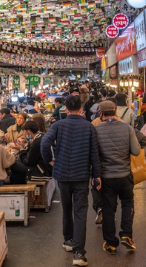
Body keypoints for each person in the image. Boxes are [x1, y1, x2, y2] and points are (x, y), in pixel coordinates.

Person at [41, 96, 101, 266]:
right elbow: (94, 154)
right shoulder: (89, 127)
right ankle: (79, 254)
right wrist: (96, 175)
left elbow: (45, 143)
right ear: (81, 109)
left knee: (66, 209)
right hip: (81, 175)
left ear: (65, 110)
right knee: (80, 212)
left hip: (62, 175)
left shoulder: (58, 125)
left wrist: (50, 161)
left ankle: (68, 240)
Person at [93, 101, 140, 255]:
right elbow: (136, 151)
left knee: (108, 209)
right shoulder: (128, 128)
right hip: (125, 175)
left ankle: (111, 243)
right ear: (115, 112)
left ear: (101, 114)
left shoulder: (96, 130)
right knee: (127, 203)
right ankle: (126, 234)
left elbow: (94, 155)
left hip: (106, 177)